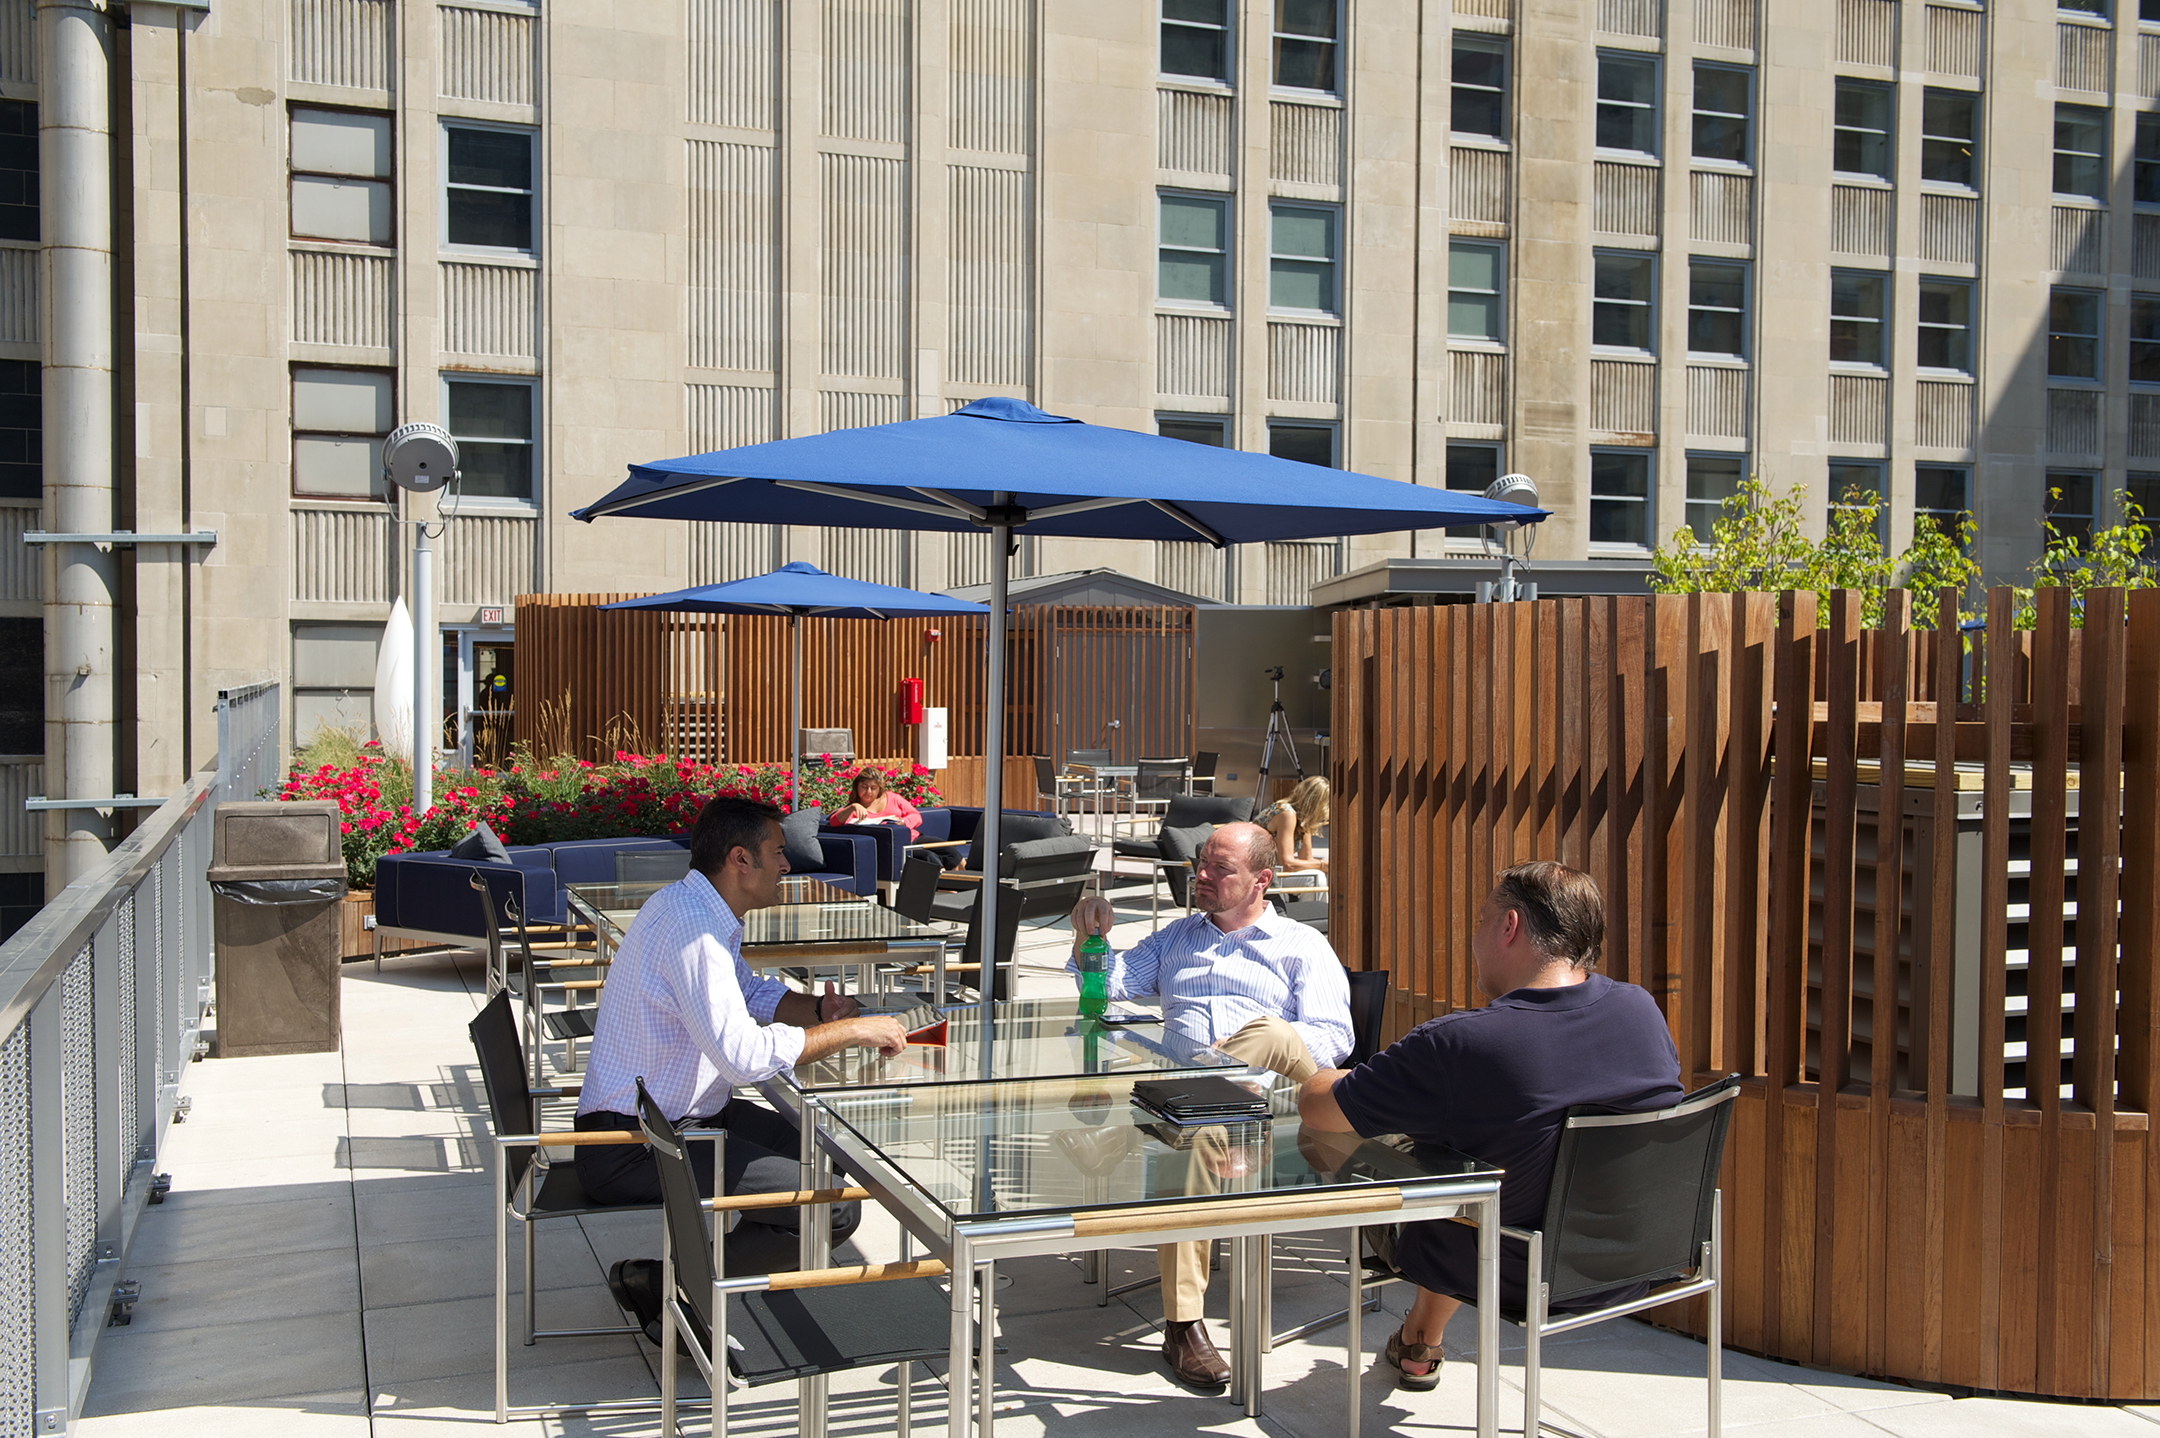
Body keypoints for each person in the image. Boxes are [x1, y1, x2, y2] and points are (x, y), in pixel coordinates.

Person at [1296, 860, 1682, 1391]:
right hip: (1643, 1253)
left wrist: (1317, 1074)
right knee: (1493, 1151)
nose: (1473, 935)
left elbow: (1319, 1111)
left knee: (1418, 1156)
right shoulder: (1640, 1008)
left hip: (1509, 1260)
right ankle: (1420, 1339)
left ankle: (1412, 1333)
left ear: (1510, 926)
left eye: (1482, 919)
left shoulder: (1461, 1042)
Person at [574, 795, 910, 1343]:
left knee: (822, 1143)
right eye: (777, 853)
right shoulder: (695, 933)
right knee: (832, 1208)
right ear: (739, 860)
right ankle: (682, 1294)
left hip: (680, 1116)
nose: (786, 865)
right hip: (632, 1143)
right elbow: (741, 1056)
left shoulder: (696, 909)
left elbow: (749, 993)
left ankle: (676, 1280)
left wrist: (818, 1011)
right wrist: (848, 1031)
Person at [1066, 820, 1353, 1389]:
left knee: (1270, 1031)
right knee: (1190, 1138)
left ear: (1261, 881)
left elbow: (1331, 1037)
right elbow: (1111, 983)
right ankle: (1184, 1325)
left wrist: (1236, 1060)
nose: (1202, 876)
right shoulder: (1178, 937)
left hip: (1276, 1105)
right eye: (1202, 864)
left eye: (1220, 868)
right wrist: (1089, 936)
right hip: (1190, 1109)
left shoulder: (1302, 945)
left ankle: (1135, 1134)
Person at [1257, 775, 1329, 877]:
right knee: (1317, 877)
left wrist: (1326, 865)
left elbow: (1306, 859)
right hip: (1261, 873)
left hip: (1276, 872)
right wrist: (1322, 865)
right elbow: (1287, 864)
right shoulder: (1286, 814)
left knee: (1320, 874)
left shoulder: (1303, 819)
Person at [829, 768, 923, 838]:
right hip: (893, 846)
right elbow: (833, 822)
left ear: (879, 788)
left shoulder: (893, 798)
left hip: (912, 838)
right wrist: (853, 806)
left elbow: (916, 815)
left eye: (873, 788)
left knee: (937, 846)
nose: (868, 791)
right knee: (929, 857)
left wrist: (903, 822)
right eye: (864, 787)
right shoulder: (854, 809)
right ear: (857, 787)